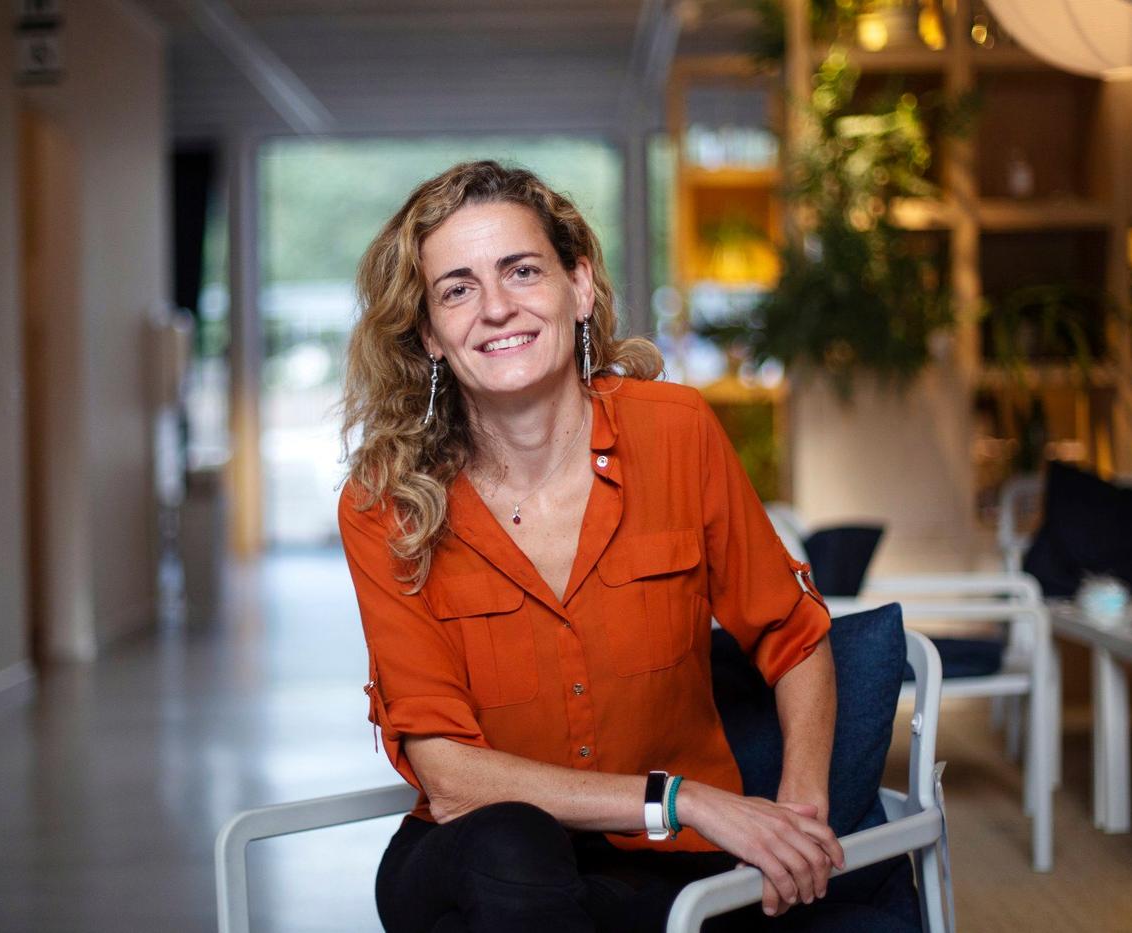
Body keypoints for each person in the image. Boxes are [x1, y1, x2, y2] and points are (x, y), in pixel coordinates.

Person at [339, 160, 867, 932]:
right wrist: (680, 797)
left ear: (579, 287)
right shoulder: (384, 503)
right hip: (474, 853)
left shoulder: (677, 433)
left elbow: (793, 635)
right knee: (514, 846)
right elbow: (448, 775)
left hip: (666, 869)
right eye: (456, 288)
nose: (495, 308)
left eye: (521, 271)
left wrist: (797, 810)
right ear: (429, 334)